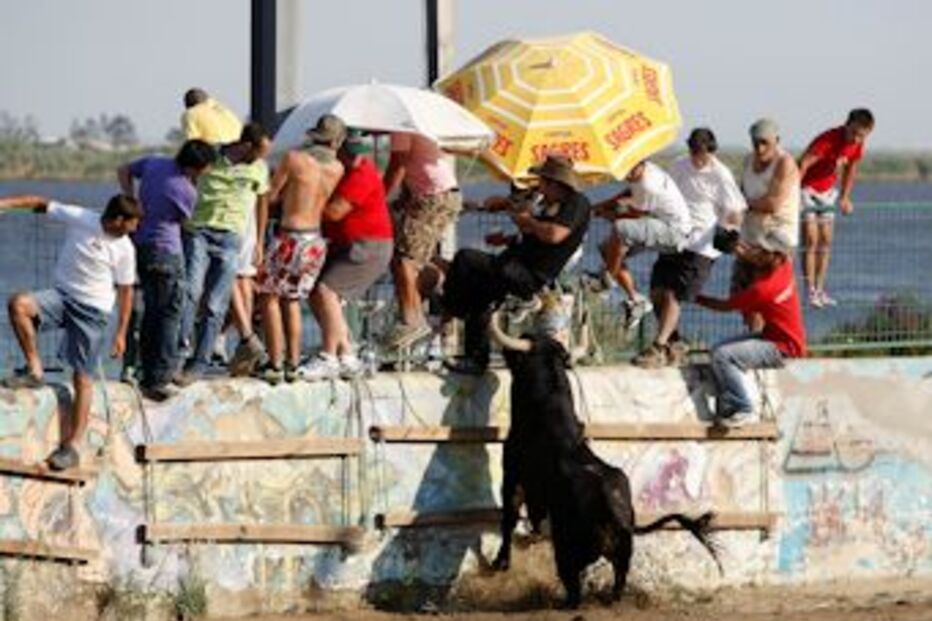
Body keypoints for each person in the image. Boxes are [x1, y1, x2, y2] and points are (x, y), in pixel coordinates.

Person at [0, 194, 141, 470]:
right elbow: (39, 202)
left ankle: (74, 445)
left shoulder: (125, 248)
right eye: (133, 223)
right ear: (117, 219)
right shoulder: (81, 218)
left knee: (82, 378)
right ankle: (35, 370)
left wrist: (121, 333)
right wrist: (4, 204)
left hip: (93, 312)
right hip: (62, 298)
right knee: (19, 305)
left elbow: (126, 293)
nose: (135, 229)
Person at [441, 155, 590, 375]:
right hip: (515, 264)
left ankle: (452, 309)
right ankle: (476, 359)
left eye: (542, 181)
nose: (539, 186)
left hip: (530, 274)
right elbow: (534, 235)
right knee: (480, 296)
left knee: (465, 258)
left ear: (555, 183)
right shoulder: (549, 203)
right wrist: (507, 235)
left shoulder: (576, 204)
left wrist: (528, 221)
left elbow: (554, 235)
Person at [635, 128, 747, 368]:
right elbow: (664, 193)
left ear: (711, 151)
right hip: (674, 237)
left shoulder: (721, 174)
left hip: (701, 246)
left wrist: (730, 231)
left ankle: (658, 346)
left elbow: (736, 209)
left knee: (674, 294)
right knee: (657, 292)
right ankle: (675, 342)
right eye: (694, 151)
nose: (698, 158)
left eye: (702, 153)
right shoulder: (678, 165)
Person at [117, 140, 216, 400]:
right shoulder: (186, 190)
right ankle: (159, 378)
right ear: (197, 166)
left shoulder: (154, 163)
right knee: (169, 315)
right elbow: (185, 221)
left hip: (140, 246)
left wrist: (131, 199)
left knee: (150, 312)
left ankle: (143, 371)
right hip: (167, 251)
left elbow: (123, 169)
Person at [176, 123, 271, 385]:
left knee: (215, 304)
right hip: (199, 231)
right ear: (246, 145)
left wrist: (259, 241)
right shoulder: (212, 158)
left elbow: (262, 202)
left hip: (231, 238)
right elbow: (187, 180)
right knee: (191, 291)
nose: (261, 158)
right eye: (259, 152)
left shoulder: (259, 168)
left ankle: (199, 363)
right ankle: (178, 354)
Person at [297, 129, 394, 381]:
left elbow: (335, 212)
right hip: (345, 245)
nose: (356, 159)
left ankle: (329, 357)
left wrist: (301, 203)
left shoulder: (362, 174)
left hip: (367, 246)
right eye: (350, 154)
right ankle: (347, 355)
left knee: (326, 291)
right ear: (338, 149)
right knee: (315, 292)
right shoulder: (338, 170)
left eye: (359, 154)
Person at [255, 114, 345, 384]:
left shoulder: (294, 159)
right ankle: (293, 362)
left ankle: (275, 362)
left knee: (268, 296)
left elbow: (271, 196)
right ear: (336, 142)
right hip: (315, 241)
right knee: (292, 299)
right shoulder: (337, 168)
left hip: (290, 237)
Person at [696, 236, 806, 426]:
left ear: (768, 257)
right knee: (716, 351)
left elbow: (725, 306)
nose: (754, 253)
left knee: (723, 356)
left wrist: (696, 298)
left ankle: (742, 407)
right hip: (779, 337)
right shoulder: (785, 265)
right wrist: (739, 245)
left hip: (782, 349)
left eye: (760, 252)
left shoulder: (762, 290)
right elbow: (756, 255)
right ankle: (727, 404)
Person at [382, 131, 462, 350]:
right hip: (435, 193)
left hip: (433, 195)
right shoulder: (413, 126)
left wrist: (379, 197)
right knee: (406, 258)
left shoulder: (401, 128)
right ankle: (419, 312)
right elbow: (413, 165)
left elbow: (398, 164)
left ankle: (413, 321)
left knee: (404, 260)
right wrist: (403, 197)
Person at [595, 160, 691, 331]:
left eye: (630, 170)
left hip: (673, 231)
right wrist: (598, 207)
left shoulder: (648, 185)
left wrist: (604, 213)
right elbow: (626, 195)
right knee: (607, 248)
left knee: (620, 228)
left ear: (640, 164)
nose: (626, 175)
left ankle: (607, 282)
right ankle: (636, 300)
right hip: (658, 223)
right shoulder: (643, 175)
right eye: (624, 171)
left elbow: (633, 217)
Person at [798, 108, 875, 308]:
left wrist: (845, 197)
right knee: (811, 239)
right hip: (807, 189)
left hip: (827, 192)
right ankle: (809, 291)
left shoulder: (857, 144)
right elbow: (803, 163)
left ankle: (820, 290)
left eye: (862, 136)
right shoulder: (828, 140)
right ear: (846, 125)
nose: (856, 139)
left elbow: (851, 169)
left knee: (826, 240)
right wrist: (792, 195)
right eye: (854, 133)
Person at [735, 118, 800, 331]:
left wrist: (744, 205)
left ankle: (764, 342)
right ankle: (753, 338)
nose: (760, 148)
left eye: (765, 143)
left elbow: (773, 203)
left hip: (776, 240)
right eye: (755, 143)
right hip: (750, 236)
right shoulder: (748, 161)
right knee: (742, 297)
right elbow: (739, 195)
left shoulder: (784, 163)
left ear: (777, 141)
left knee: (765, 298)